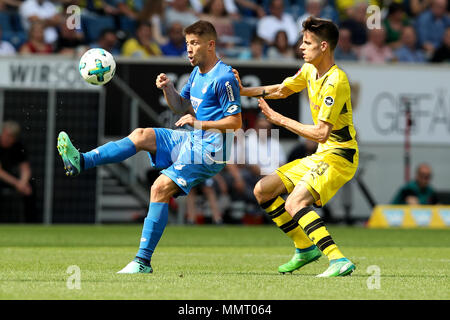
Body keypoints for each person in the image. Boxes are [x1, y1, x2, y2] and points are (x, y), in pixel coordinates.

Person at [57, 20, 242, 274]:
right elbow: (179, 106)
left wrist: (198, 122)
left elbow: (236, 121)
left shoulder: (224, 77)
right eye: (187, 43)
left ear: (211, 45)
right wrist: (168, 89)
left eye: (195, 44)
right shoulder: (197, 73)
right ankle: (82, 161)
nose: (189, 49)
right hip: (194, 139)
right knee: (142, 134)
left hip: (212, 150)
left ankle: (142, 261)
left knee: (159, 187)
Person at [233, 17, 358, 277]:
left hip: (340, 155)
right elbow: (281, 90)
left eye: (307, 42)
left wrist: (277, 119)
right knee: (263, 191)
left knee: (295, 202)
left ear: (324, 46)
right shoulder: (309, 70)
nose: (301, 47)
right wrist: (243, 91)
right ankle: (304, 248)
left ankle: (338, 259)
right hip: (323, 154)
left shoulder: (336, 81)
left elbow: (321, 133)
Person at [0, 121, 37, 222]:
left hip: (13, 179)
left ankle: (31, 223)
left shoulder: (18, 146)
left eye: (10, 137)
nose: (6, 138)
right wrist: (17, 184)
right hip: (4, 179)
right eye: (5, 135)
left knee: (30, 187)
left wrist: (23, 183)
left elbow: (25, 168)